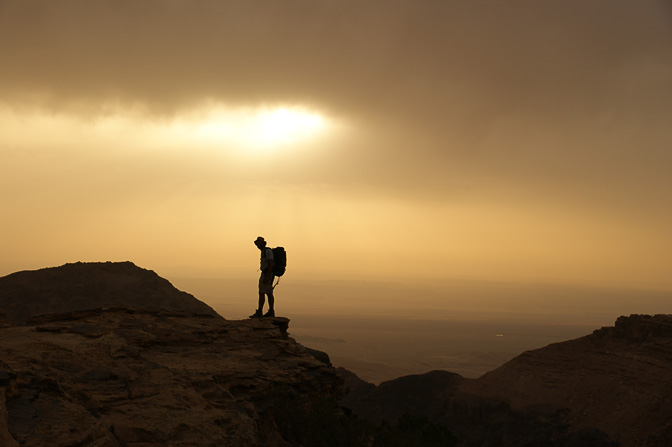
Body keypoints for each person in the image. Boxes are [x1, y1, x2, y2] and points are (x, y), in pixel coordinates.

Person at [250, 236, 275, 318]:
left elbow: (270, 263)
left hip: (267, 273)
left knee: (262, 293)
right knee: (268, 293)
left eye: (259, 243)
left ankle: (260, 312)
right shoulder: (264, 251)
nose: (257, 245)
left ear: (263, 243)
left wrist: (267, 276)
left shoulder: (267, 251)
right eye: (257, 243)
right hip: (267, 273)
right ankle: (270, 311)